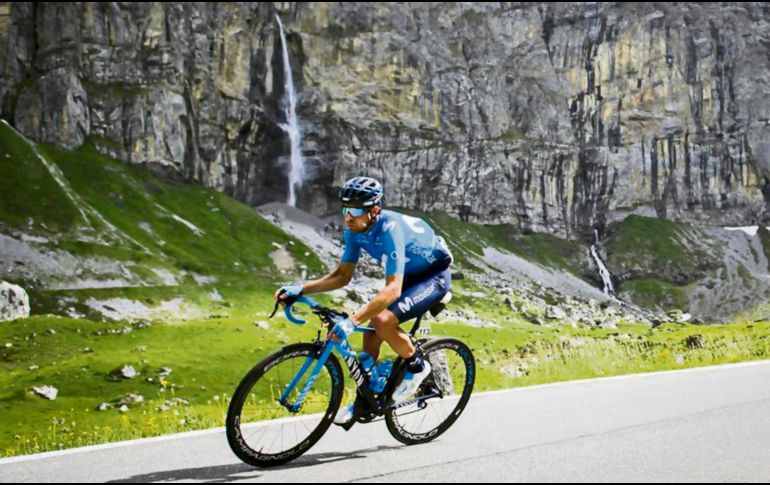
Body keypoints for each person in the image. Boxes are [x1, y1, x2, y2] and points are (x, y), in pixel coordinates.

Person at [274, 176, 453, 425]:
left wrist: (353, 320)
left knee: (382, 321)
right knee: (370, 334)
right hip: (409, 274)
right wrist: (300, 289)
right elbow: (341, 276)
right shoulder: (354, 231)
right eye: (345, 209)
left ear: (374, 210)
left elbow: (393, 289)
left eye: (356, 211)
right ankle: (366, 401)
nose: (348, 217)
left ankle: (417, 367)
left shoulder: (390, 228)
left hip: (433, 276)